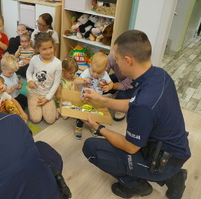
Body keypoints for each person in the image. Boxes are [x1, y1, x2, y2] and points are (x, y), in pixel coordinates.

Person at [82, 30, 191, 199]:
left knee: (91, 147)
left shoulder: (144, 105)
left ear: (128, 60)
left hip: (161, 161)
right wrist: (101, 100)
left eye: (116, 59)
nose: (115, 63)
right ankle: (175, 177)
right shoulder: (160, 75)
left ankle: (136, 186)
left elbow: (131, 146)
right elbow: (134, 103)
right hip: (177, 149)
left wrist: (99, 128)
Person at [73, 52, 113, 139]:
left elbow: (111, 84)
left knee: (94, 114)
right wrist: (82, 81)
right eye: (93, 71)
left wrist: (108, 87)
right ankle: (79, 126)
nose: (95, 74)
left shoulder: (105, 75)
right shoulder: (87, 72)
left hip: (97, 100)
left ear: (105, 69)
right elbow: (75, 81)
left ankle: (93, 126)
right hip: (85, 98)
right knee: (82, 113)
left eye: (99, 73)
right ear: (90, 65)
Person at [26, 32, 61, 124]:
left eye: (50, 47)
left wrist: (48, 98)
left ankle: (52, 108)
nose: (48, 51)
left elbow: (56, 83)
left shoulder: (57, 63)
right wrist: (29, 80)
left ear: (53, 46)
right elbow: (29, 71)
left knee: (50, 120)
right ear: (38, 49)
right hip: (34, 93)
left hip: (47, 94)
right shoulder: (34, 59)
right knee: (36, 119)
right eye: (44, 49)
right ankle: (33, 104)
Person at [104, 51, 135, 121]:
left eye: (117, 59)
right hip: (119, 78)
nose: (116, 62)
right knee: (101, 87)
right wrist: (102, 80)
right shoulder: (113, 55)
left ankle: (121, 100)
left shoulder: (135, 64)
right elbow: (104, 71)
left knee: (121, 97)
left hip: (133, 85)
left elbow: (126, 84)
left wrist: (111, 86)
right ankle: (115, 92)